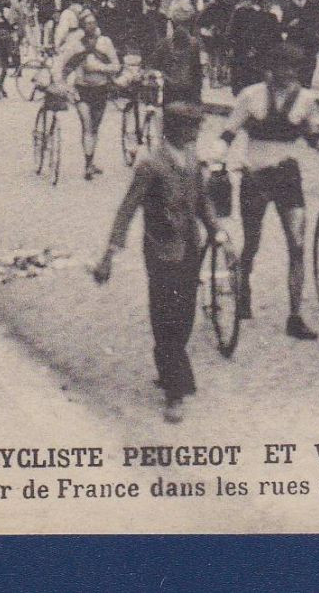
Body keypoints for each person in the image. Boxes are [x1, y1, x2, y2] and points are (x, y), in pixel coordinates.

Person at [93, 101, 232, 424]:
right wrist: (110, 254)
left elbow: (202, 201)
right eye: (192, 127)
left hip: (190, 247)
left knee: (184, 314)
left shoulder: (192, 160)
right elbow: (127, 209)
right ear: (176, 128)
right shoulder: (151, 165)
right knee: (166, 316)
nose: (196, 132)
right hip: (161, 250)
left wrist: (218, 232)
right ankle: (174, 390)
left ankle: (169, 366)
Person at [210, 42, 319, 340]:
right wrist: (215, 156)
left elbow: (314, 138)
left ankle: (295, 316)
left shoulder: (305, 100)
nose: (287, 73)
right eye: (281, 67)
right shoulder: (251, 96)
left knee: (297, 244)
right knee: (252, 241)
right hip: (256, 177)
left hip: (288, 178)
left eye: (292, 68)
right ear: (270, 68)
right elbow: (227, 133)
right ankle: (244, 287)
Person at [57, 9, 122, 180]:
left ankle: (90, 161)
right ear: (82, 26)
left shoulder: (105, 43)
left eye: (93, 22)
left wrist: (99, 67)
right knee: (87, 126)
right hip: (82, 90)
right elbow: (65, 67)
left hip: (101, 90)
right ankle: (87, 165)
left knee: (95, 127)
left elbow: (116, 66)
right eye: (87, 23)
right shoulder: (75, 45)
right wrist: (63, 85)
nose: (90, 26)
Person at [148, 0, 204, 105]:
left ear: (172, 21)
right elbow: (197, 75)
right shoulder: (194, 44)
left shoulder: (164, 43)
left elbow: (153, 69)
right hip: (189, 96)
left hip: (170, 94)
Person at [226, 0, 280, 95]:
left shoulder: (271, 17)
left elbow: (276, 38)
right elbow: (233, 33)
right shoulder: (244, 13)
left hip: (258, 57)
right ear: (263, 2)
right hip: (249, 56)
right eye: (269, 2)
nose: (271, 5)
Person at [280, 0, 319, 88]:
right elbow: (281, 28)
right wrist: (289, 25)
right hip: (293, 47)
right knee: (295, 77)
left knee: (308, 76)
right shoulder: (288, 7)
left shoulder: (313, 7)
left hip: (310, 48)